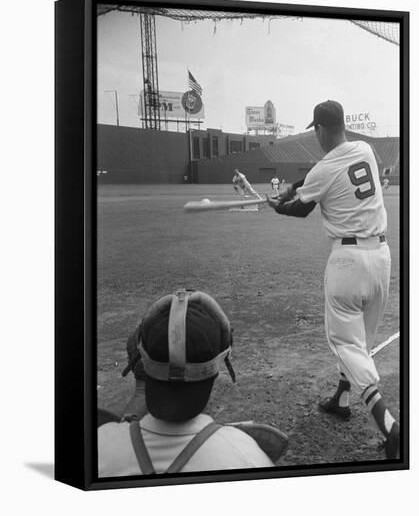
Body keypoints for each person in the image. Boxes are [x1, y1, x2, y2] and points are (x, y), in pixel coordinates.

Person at [266, 100, 399, 459]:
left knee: (346, 343)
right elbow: (317, 177)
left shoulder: (324, 168)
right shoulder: (364, 149)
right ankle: (341, 398)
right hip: (381, 259)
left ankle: (388, 424)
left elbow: (302, 207)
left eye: (316, 130)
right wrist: (293, 187)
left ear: (321, 130)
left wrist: (276, 204)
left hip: (348, 263)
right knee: (362, 340)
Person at [98, 289, 274, 476]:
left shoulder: (100, 443)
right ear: (219, 363)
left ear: (141, 358)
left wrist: (143, 385)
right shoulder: (247, 457)